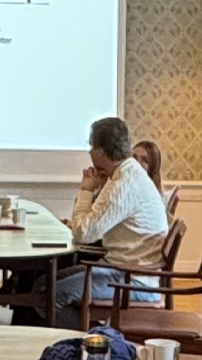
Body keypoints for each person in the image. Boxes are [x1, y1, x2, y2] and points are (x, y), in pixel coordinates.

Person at [54, 118, 168, 330]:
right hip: (123, 268)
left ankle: (94, 341)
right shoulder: (126, 174)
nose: (89, 152)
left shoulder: (123, 184)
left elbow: (82, 233)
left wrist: (87, 190)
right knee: (45, 282)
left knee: (53, 295)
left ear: (100, 152)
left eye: (91, 146)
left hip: (133, 280)